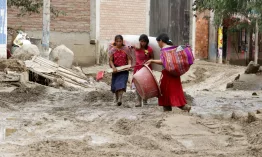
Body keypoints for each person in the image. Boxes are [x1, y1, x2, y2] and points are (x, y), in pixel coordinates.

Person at [145, 33, 191, 112]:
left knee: (165, 92)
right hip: (175, 74)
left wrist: (152, 60)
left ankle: (170, 109)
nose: (158, 44)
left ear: (161, 41)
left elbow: (163, 62)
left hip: (168, 74)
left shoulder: (164, 50)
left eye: (158, 42)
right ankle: (184, 106)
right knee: (176, 91)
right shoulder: (173, 48)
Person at [109, 35, 132, 106]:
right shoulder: (112, 50)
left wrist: (129, 66)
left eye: (120, 41)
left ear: (122, 41)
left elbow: (129, 59)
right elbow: (110, 60)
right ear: (115, 42)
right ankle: (116, 99)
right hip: (116, 70)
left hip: (124, 69)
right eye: (117, 41)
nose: (118, 43)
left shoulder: (126, 49)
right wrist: (113, 68)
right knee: (115, 85)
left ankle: (120, 99)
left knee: (121, 84)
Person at [132, 34, 154, 107]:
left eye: (144, 42)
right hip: (138, 68)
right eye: (141, 41)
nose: (143, 43)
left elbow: (152, 58)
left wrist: (148, 61)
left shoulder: (149, 49)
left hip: (146, 68)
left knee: (146, 84)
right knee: (138, 84)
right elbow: (132, 45)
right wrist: (138, 46)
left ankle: (145, 99)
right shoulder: (137, 47)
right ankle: (138, 100)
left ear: (147, 42)